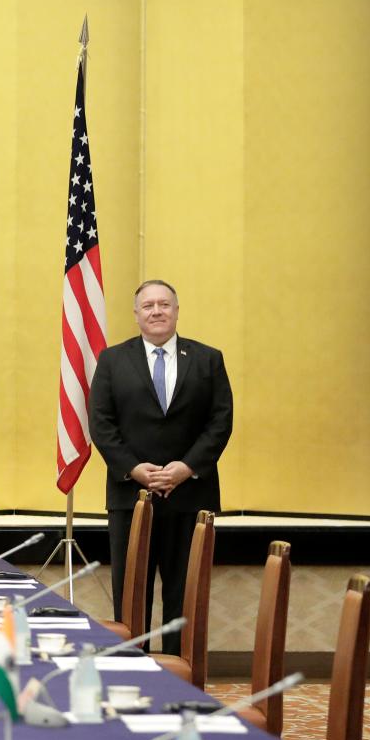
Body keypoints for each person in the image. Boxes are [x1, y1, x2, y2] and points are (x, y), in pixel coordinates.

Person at [89, 280, 233, 656]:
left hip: (191, 497)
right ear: (136, 315)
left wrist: (186, 468)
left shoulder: (207, 359)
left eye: (164, 304)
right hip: (131, 497)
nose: (156, 311)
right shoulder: (112, 360)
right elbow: (101, 424)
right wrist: (135, 469)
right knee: (131, 594)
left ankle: (179, 675)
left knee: (183, 595)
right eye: (148, 305)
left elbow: (220, 421)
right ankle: (132, 670)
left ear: (176, 310)